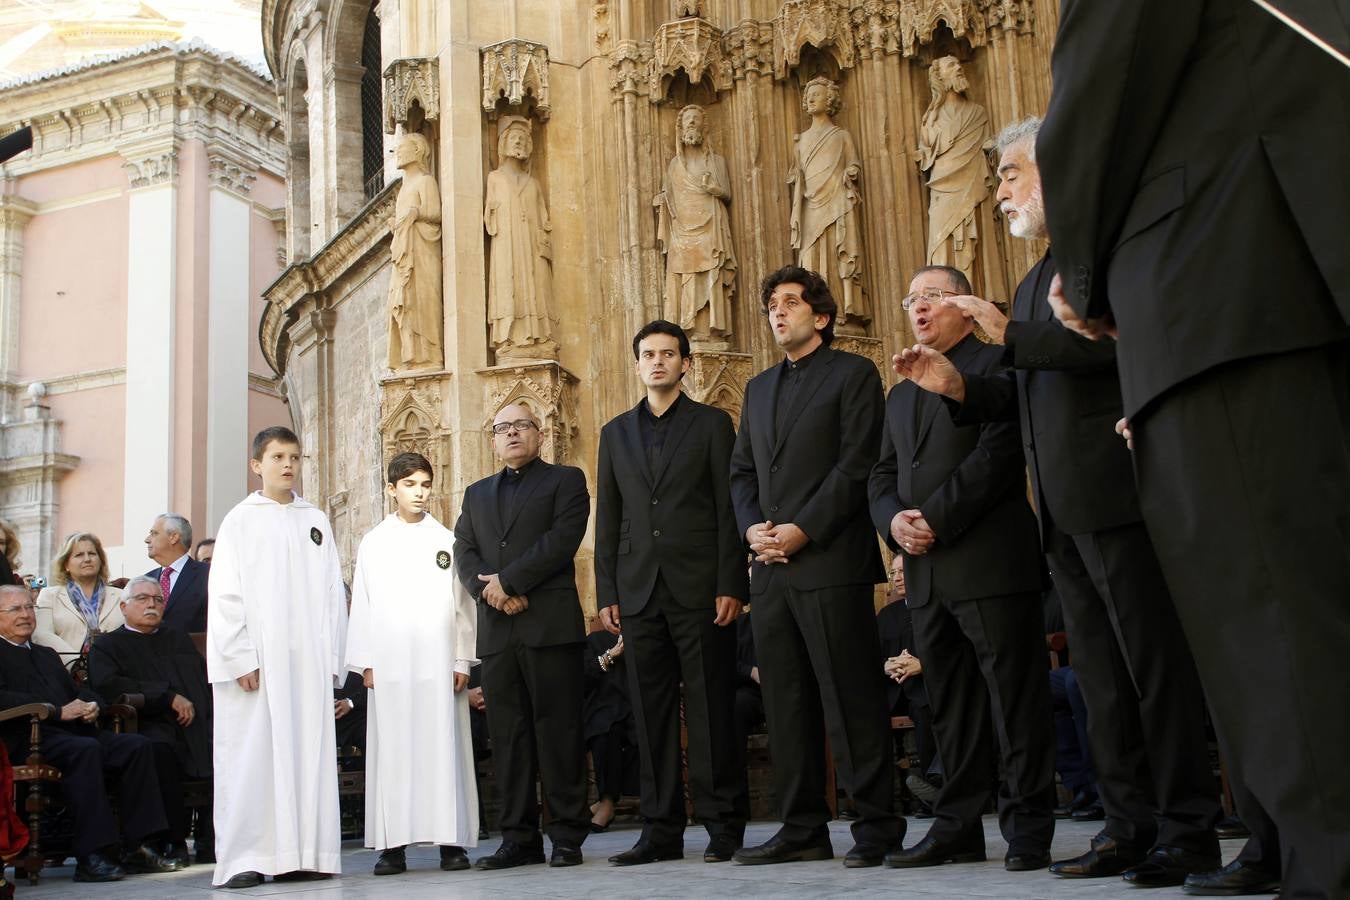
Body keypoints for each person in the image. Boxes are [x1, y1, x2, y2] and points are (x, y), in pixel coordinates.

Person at [1036, 4, 1350, 895]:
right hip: (1302, 253)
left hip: (1225, 274)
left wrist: (1085, 272)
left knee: (1274, 611)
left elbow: (1102, 86)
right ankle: (1294, 845)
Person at [896, 117, 1222, 885]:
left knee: (1152, 672)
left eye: (1011, 172)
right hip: (1064, 512)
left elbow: (1110, 346)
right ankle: (1126, 825)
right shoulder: (1029, 273)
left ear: (1058, 171)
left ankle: (1189, 828)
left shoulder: (1098, 256)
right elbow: (1025, 389)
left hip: (1117, 492)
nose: (1001, 188)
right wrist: (962, 388)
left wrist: (1010, 335)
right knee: (1103, 681)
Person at [870, 265, 1055, 871]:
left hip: (989, 562)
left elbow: (1001, 454)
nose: (919, 308)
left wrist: (935, 520)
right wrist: (895, 522)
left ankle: (1027, 827)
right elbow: (881, 474)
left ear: (968, 306)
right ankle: (957, 827)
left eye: (934, 297)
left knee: (1013, 699)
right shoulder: (899, 390)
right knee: (950, 708)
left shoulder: (996, 365)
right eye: (912, 299)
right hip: (926, 573)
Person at [728, 265, 901, 868]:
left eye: (791, 303)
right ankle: (801, 826)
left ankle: (878, 824)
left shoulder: (854, 374)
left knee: (850, 696)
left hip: (830, 561)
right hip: (771, 569)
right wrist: (753, 529)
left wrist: (804, 530)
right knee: (786, 701)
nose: (778, 312)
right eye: (772, 304)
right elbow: (742, 472)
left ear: (821, 317)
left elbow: (857, 465)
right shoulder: (759, 388)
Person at [595, 320, 750, 866]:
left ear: (686, 363)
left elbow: (729, 509)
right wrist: (607, 588)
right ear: (637, 364)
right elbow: (609, 516)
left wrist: (731, 580)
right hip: (638, 593)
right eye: (648, 354)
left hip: (701, 588)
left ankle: (723, 824)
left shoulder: (712, 425)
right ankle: (660, 832)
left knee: (711, 711)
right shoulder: (614, 433)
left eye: (668, 354)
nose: (657, 362)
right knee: (648, 713)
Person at [206, 426, 347, 889]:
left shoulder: (316, 519)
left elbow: (331, 592)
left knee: (307, 751)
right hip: (258, 661)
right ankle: (246, 856)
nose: (288, 465)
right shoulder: (239, 521)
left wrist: (332, 656)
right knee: (252, 756)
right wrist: (239, 656)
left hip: (306, 659)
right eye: (277, 457)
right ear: (257, 465)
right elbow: (225, 594)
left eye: (294, 457)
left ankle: (305, 851)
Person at [453, 403, 591, 869]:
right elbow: (464, 551)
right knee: (508, 738)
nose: (512, 433)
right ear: (492, 440)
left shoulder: (565, 481)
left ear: (540, 433)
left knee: (560, 733)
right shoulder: (475, 494)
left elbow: (562, 540)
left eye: (522, 425)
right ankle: (518, 838)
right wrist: (488, 591)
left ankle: (568, 835)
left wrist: (509, 582)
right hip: (497, 633)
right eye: (503, 428)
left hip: (548, 626)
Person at [346, 452, 478, 876]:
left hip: (438, 660)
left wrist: (461, 658)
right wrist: (366, 661)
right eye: (409, 485)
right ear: (391, 488)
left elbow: (462, 605)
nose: (419, 492)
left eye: (424, 484)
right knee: (394, 751)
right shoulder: (374, 542)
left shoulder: (446, 540)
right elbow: (363, 604)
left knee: (444, 747)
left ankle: (450, 843)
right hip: (391, 663)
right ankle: (393, 845)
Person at [0, 584, 181, 882]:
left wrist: (92, 705)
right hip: (27, 738)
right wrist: (57, 710)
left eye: (29, 608)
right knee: (86, 751)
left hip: (71, 732)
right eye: (16, 609)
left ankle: (139, 845)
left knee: (136, 746)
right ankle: (93, 855)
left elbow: (79, 691)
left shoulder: (45, 654)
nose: (26, 615)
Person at [89, 575, 213, 865]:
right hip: (145, 722)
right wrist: (167, 696)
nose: (151, 605)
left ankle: (211, 839)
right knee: (159, 750)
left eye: (158, 599)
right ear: (123, 606)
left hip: (193, 722)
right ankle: (171, 840)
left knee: (219, 744)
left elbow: (199, 681)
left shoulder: (176, 638)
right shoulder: (108, 645)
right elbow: (110, 686)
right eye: (142, 599)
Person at [876, 555, 939, 800]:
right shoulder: (886, 614)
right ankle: (875, 799)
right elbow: (871, 656)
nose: (898, 578)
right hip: (891, 689)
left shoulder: (934, 607)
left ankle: (930, 789)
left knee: (925, 708)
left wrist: (921, 665)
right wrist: (887, 665)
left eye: (903, 571)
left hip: (924, 685)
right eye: (894, 574)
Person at [33, 532, 124, 671]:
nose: (87, 559)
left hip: (115, 673)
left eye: (92, 554)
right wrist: (77, 664)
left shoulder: (121, 596)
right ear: (66, 565)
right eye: (79, 555)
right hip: (67, 674)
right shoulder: (49, 595)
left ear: (101, 560)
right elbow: (41, 634)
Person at [582, 628, 638, 833]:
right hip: (602, 707)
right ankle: (606, 803)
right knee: (605, 728)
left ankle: (604, 804)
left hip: (637, 706)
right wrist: (610, 655)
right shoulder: (595, 639)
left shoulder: (647, 631)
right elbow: (584, 678)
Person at [145, 514, 209, 633]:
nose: (147, 539)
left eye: (154, 533)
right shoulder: (146, 579)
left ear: (173, 537)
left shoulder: (208, 575)